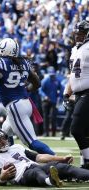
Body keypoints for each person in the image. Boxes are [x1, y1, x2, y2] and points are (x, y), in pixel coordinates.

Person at [0, 129, 89, 187]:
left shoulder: (16, 147)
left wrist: (61, 158)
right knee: (36, 172)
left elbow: (39, 157)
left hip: (36, 166)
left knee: (63, 167)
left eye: (3, 138)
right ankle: (50, 181)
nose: (3, 141)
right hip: (22, 176)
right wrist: (2, 177)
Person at [63, 20, 89, 169]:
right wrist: (67, 95)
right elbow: (73, 76)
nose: (78, 36)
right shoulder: (75, 49)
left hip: (87, 92)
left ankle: (87, 162)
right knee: (85, 132)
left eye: (81, 33)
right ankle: (85, 167)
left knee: (76, 129)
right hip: (79, 93)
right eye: (76, 33)